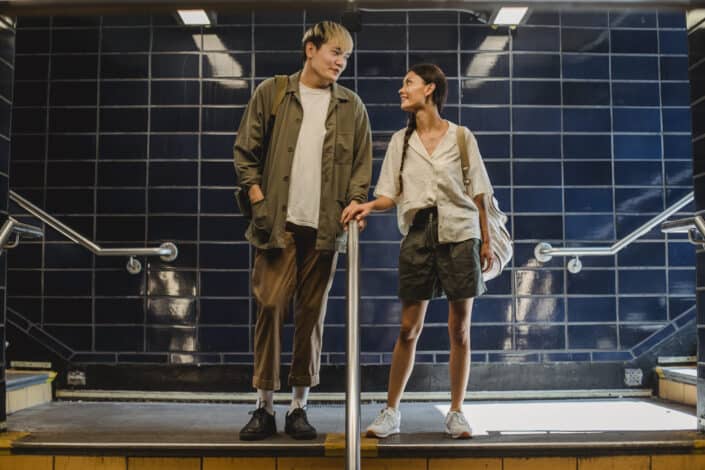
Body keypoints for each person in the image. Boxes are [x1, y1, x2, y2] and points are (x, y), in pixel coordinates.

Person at [234, 21, 372, 441]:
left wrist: (355, 204)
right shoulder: (273, 92)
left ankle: (298, 407)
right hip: (279, 224)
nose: (340, 62)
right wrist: (258, 199)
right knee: (271, 309)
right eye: (334, 52)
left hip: (326, 229)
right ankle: (263, 407)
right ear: (310, 50)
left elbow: (361, 169)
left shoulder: (352, 106)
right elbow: (245, 153)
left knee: (311, 317)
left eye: (345, 57)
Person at [341, 63, 493, 439]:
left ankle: (456, 412)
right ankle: (391, 411)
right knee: (409, 328)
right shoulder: (400, 141)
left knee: (459, 329)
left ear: (429, 88)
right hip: (418, 234)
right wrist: (367, 207)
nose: (401, 90)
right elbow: (389, 195)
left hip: (461, 233)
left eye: (407, 83)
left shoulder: (461, 137)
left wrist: (486, 240)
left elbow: (479, 193)